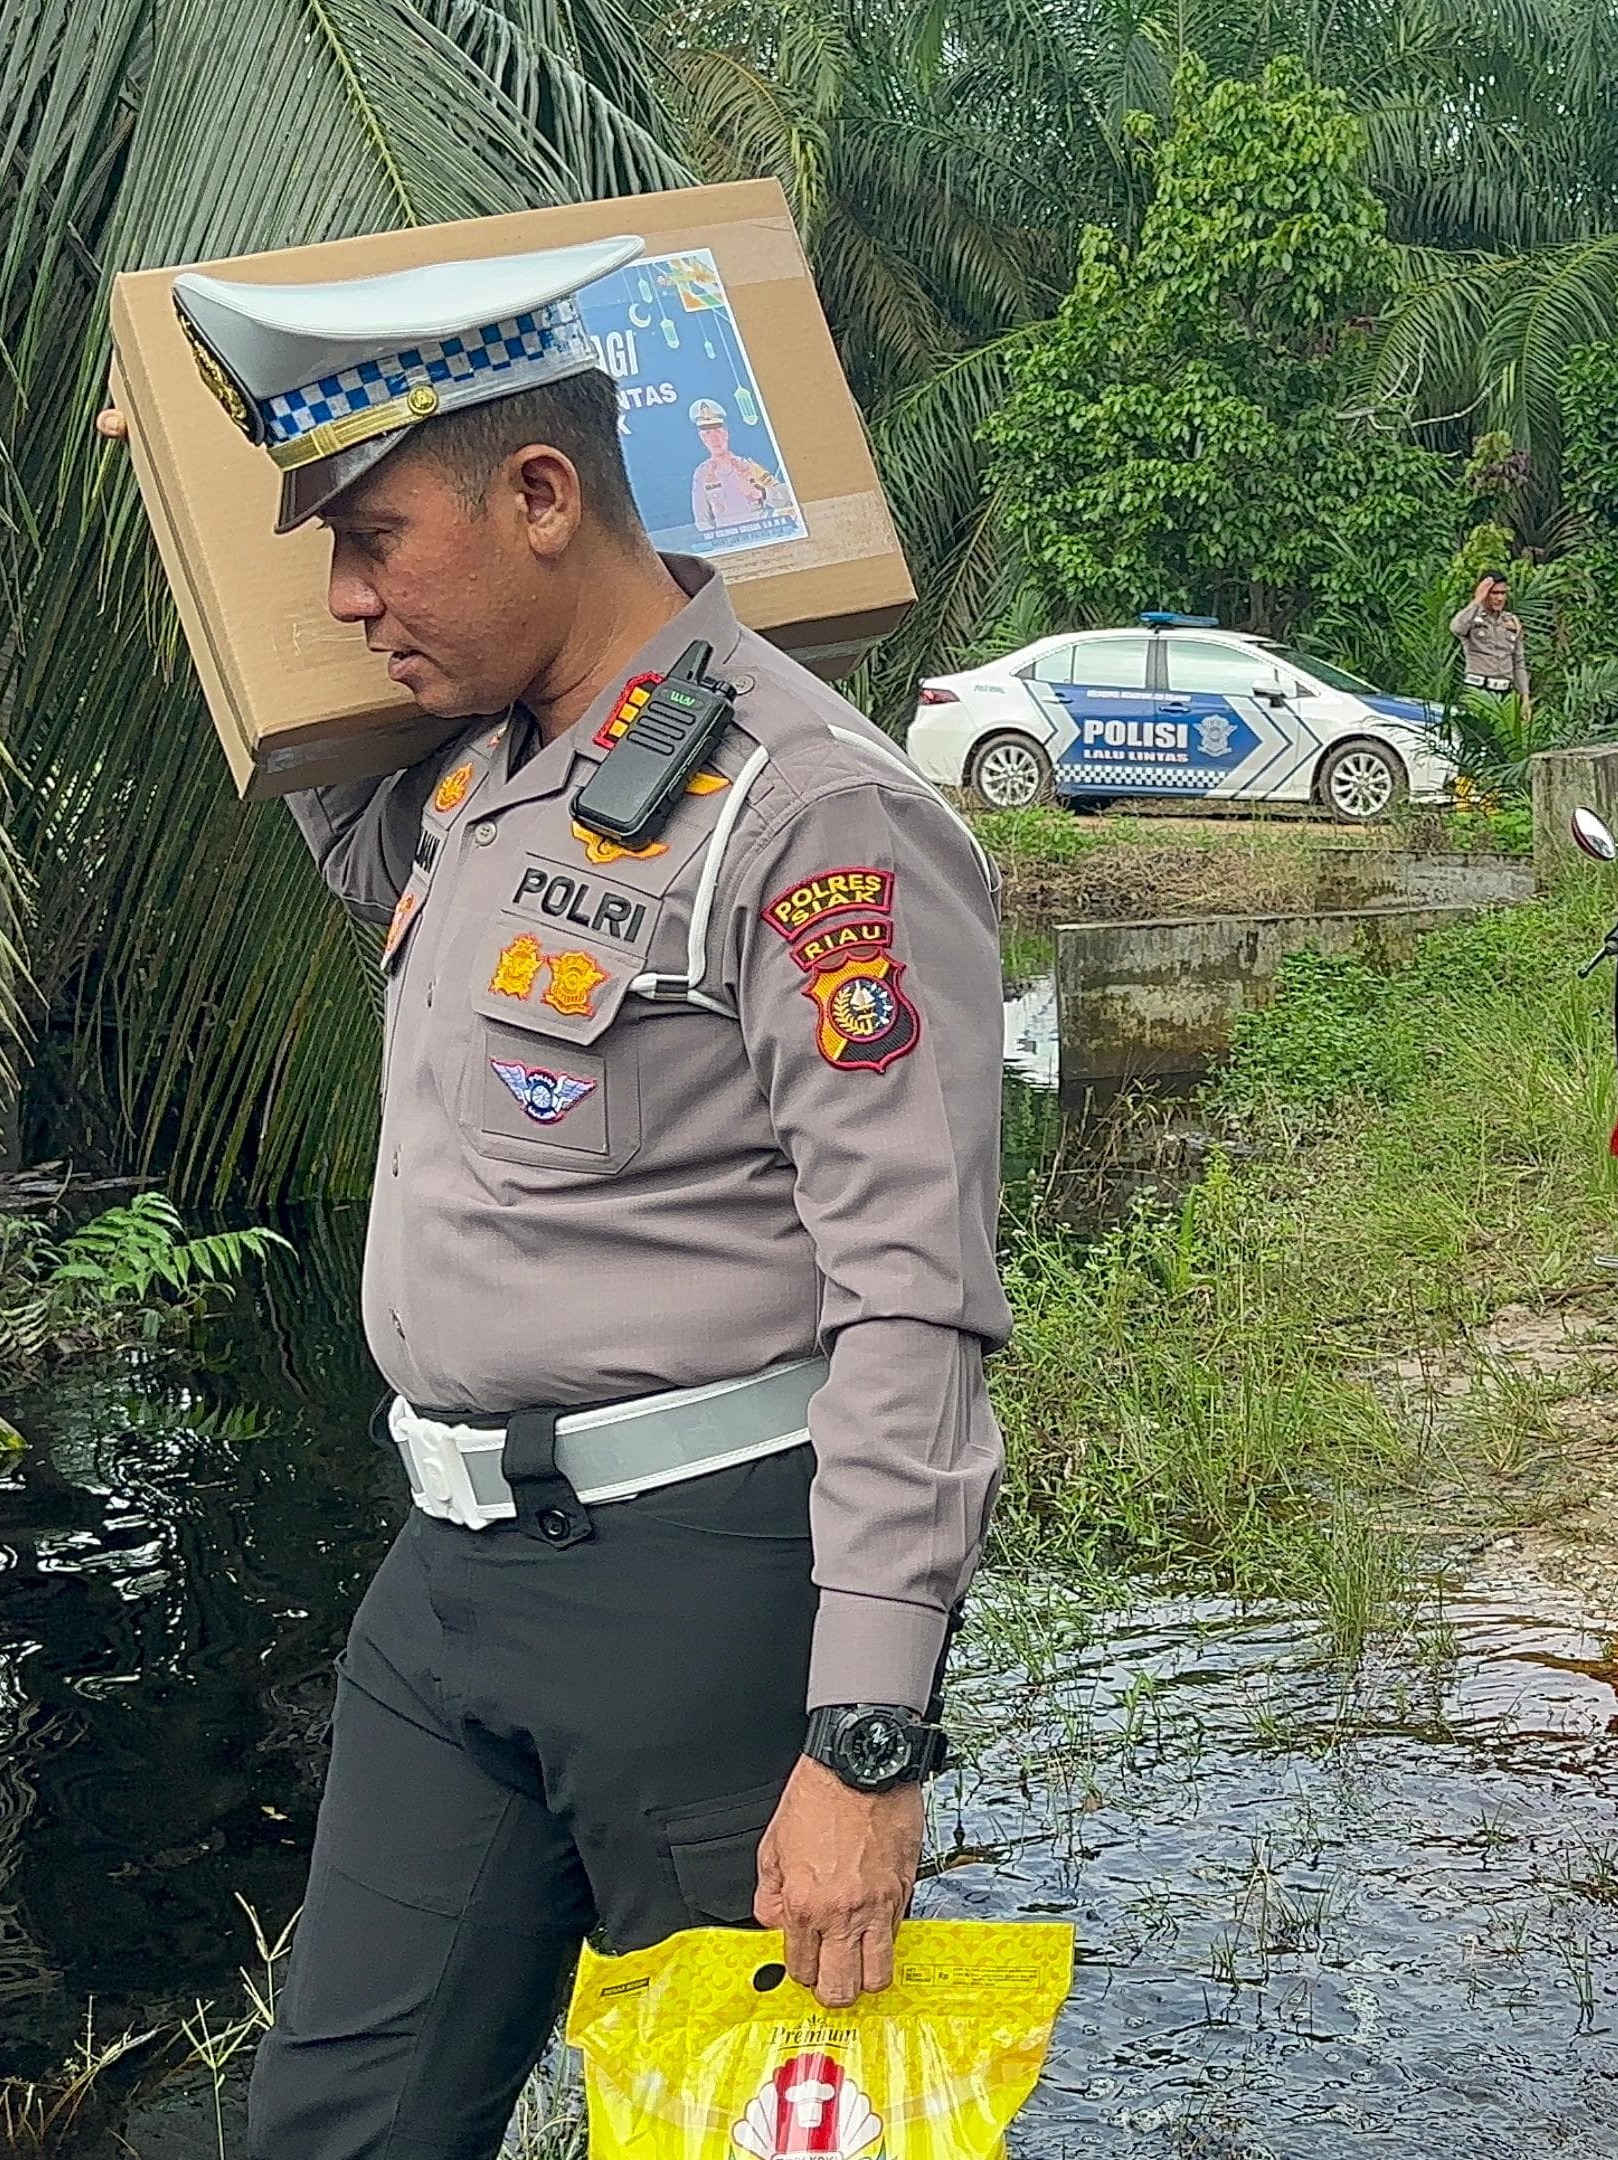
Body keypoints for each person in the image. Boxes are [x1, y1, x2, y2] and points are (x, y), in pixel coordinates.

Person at [139, 236, 1008, 2151]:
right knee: (336, 2123)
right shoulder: (472, 782)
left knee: (726, 2134)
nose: (351, 602)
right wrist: (201, 491)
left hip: (704, 1598)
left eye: (376, 538)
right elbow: (307, 756)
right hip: (447, 1584)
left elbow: (911, 1296)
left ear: (544, 497)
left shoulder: (811, 811)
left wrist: (863, 1740)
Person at [688, 394, 790, 533]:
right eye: (707, 433)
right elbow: (702, 521)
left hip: (764, 533)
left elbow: (787, 496)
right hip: (730, 540)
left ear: (726, 433)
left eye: (718, 431)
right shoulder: (702, 474)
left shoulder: (749, 466)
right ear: (702, 438)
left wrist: (761, 493)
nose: (714, 438)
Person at [1450, 572, 1530, 712]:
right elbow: (1456, 628)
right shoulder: (1472, 618)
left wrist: (1525, 699)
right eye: (1494, 593)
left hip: (1504, 695)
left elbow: (1519, 662)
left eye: (1503, 593)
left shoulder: (1510, 621)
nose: (1499, 598)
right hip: (1477, 691)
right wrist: (1477, 600)